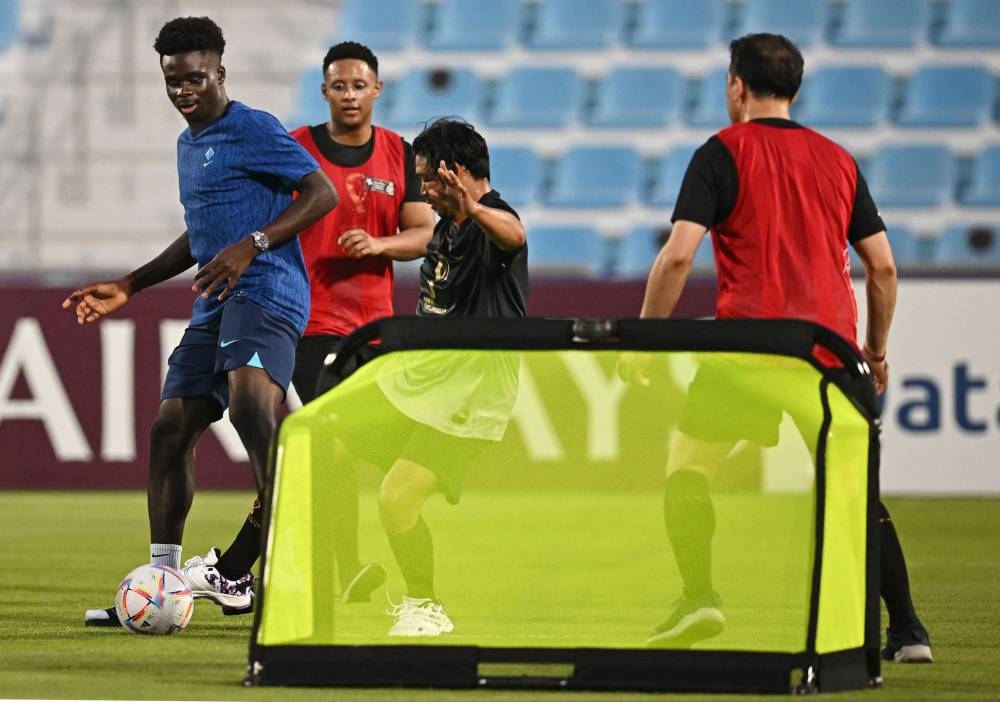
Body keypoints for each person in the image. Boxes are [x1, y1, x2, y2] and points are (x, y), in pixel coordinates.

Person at [621, 33, 932, 663]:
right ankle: (907, 632)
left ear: (737, 85)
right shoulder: (838, 159)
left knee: (688, 468)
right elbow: (883, 269)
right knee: (853, 489)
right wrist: (875, 351)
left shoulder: (720, 152)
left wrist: (645, 338)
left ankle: (700, 595)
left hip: (751, 348)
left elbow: (679, 254)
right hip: (828, 352)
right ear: (795, 87)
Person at [66, 16, 338, 627]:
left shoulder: (253, 128)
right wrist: (131, 284)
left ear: (220, 71)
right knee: (170, 428)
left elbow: (322, 194)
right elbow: (202, 233)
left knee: (248, 406)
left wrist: (256, 243)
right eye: (171, 81)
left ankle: (288, 555)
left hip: (268, 288)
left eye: (194, 78)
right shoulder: (188, 145)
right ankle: (163, 583)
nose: (182, 92)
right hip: (216, 299)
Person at [209, 41, 435, 605]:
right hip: (309, 322)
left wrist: (380, 243)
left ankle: (246, 568)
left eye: (360, 85)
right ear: (325, 90)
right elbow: (267, 217)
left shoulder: (398, 154)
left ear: (377, 90)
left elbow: (426, 233)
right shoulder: (297, 148)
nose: (350, 95)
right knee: (338, 442)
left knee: (332, 453)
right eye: (340, 85)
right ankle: (269, 567)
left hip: (377, 332)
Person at [330, 117, 528, 636]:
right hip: (422, 384)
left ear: (457, 174)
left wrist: (474, 208)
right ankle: (338, 572)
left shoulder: (493, 221)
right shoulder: (445, 227)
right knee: (330, 441)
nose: (422, 191)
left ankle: (426, 605)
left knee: (396, 497)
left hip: (470, 395)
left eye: (429, 180)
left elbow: (515, 237)